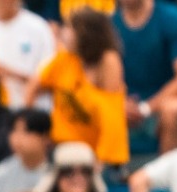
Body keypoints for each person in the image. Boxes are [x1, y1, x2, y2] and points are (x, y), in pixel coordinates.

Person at [28, 9, 128, 168]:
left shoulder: (108, 60)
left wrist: (101, 161)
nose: (64, 31)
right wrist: (34, 126)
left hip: (96, 152)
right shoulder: (64, 58)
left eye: (70, 27)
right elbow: (33, 86)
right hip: (61, 145)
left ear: (87, 33)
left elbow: (112, 114)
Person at [113, 0, 177, 155]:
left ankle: (168, 177)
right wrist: (117, 103)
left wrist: (146, 108)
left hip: (161, 107)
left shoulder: (174, 19)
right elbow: (96, 77)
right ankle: (106, 174)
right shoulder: (106, 25)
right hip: (120, 107)